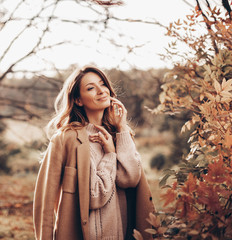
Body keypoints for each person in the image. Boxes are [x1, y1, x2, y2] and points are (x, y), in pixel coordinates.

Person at [33, 65, 155, 240]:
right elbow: (94, 197)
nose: (101, 91)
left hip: (122, 233)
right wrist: (110, 156)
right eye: (91, 88)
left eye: (103, 84)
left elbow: (130, 179)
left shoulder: (119, 135)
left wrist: (121, 128)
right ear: (78, 100)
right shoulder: (67, 139)